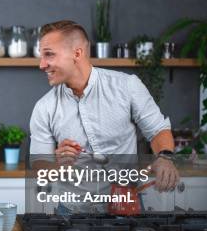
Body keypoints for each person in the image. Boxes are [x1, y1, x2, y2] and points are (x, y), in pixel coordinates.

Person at [29, 20, 179, 212]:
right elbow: (40, 167)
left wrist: (165, 158)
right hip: (71, 212)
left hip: (125, 208)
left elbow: (158, 129)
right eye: (41, 56)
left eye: (49, 54)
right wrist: (58, 165)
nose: (42, 65)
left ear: (77, 54)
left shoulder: (127, 86)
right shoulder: (44, 107)